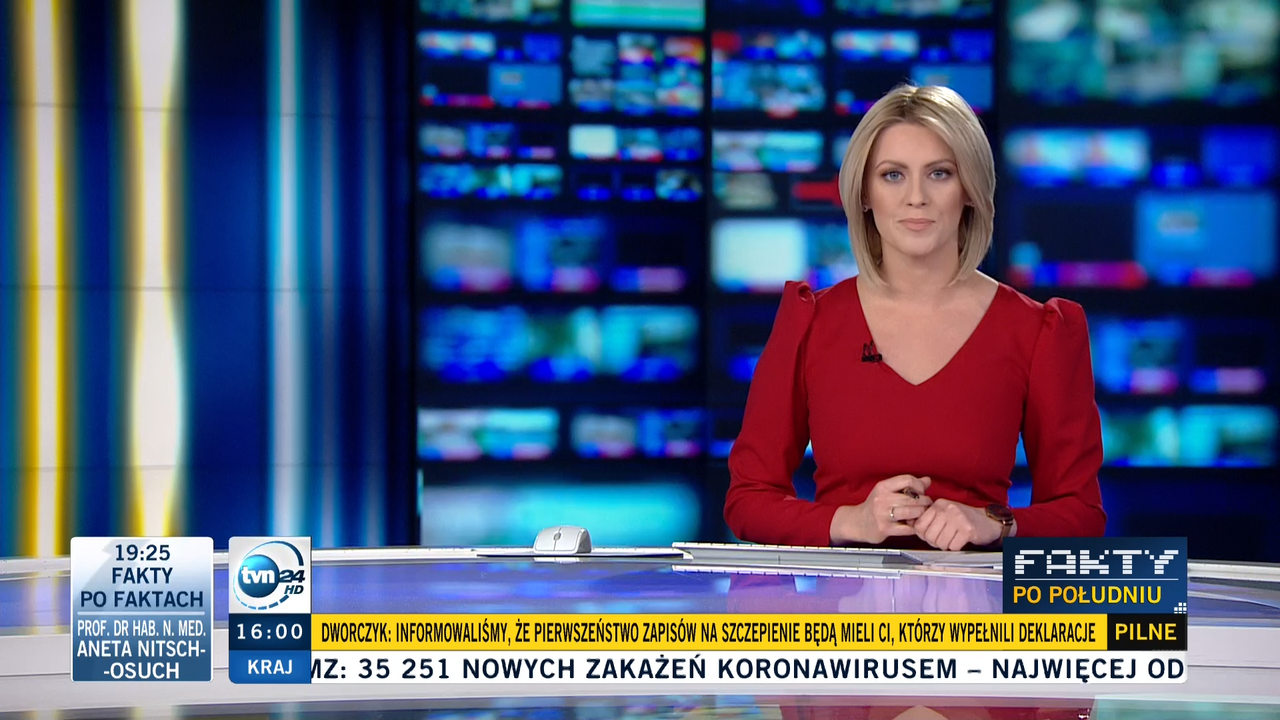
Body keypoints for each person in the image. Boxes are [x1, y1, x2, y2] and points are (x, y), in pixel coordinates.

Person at [724, 84, 1106, 551]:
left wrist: (995, 523)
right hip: (843, 597)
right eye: (893, 175)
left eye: (939, 173)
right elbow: (749, 500)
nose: (916, 197)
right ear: (864, 193)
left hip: (976, 596)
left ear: (969, 189)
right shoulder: (811, 323)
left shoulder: (1038, 331)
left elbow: (1081, 514)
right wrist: (851, 521)